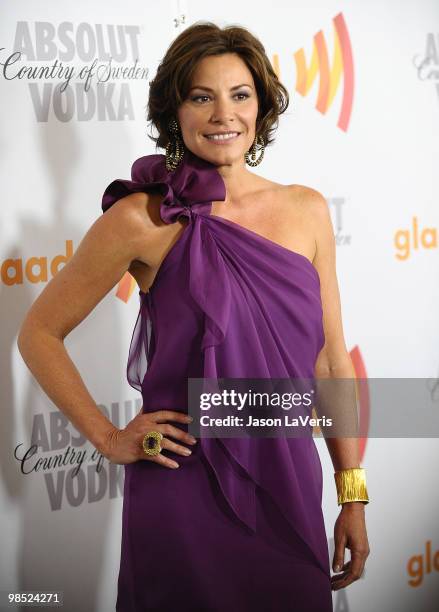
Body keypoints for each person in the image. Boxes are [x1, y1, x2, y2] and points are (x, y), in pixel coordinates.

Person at [17, 21, 370, 612]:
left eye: (240, 94)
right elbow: (39, 333)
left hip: (287, 476)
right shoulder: (143, 218)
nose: (222, 114)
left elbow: (331, 360)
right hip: (181, 481)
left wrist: (352, 493)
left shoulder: (307, 210)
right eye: (201, 96)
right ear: (174, 109)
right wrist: (108, 437)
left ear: (262, 106)